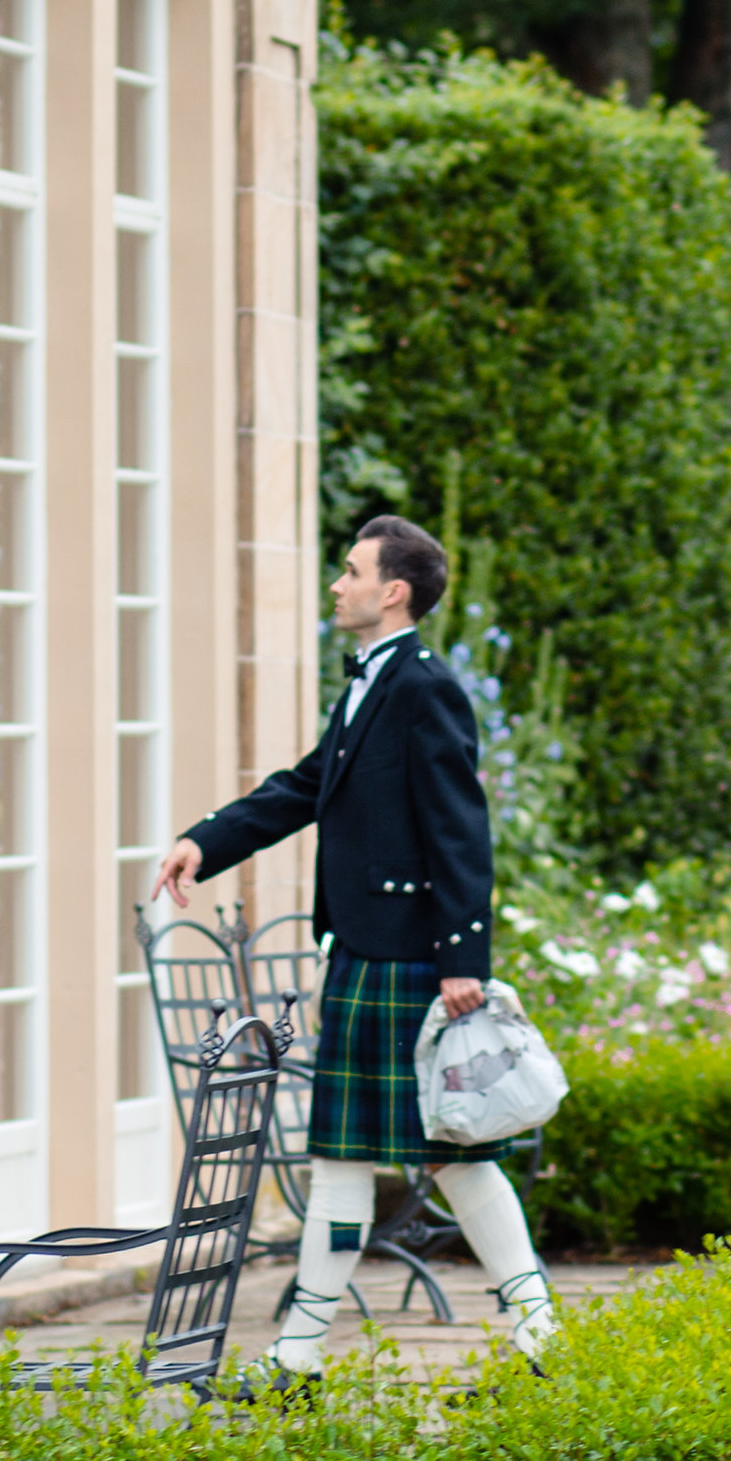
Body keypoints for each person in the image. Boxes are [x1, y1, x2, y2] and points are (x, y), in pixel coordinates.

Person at [153, 515, 559, 1375]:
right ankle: (300, 1355)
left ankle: (537, 1330)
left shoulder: (424, 687)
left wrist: (463, 961)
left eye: (350, 572)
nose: (337, 586)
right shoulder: (373, 682)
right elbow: (305, 787)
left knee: (455, 1154)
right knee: (354, 1158)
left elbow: (461, 831)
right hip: (368, 953)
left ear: (393, 590)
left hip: (408, 958)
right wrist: (208, 840)